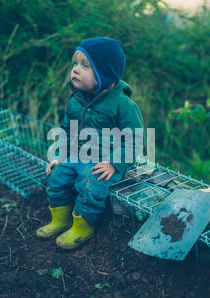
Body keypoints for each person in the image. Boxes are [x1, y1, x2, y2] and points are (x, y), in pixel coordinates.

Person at [36, 37, 144, 249]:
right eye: (75, 63)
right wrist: (59, 155)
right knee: (57, 176)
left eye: (86, 66)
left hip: (106, 160)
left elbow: (134, 139)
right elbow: (67, 130)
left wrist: (114, 164)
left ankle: (83, 225)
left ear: (105, 74)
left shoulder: (123, 105)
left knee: (91, 182)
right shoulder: (77, 99)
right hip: (77, 154)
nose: (75, 70)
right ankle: (60, 219)